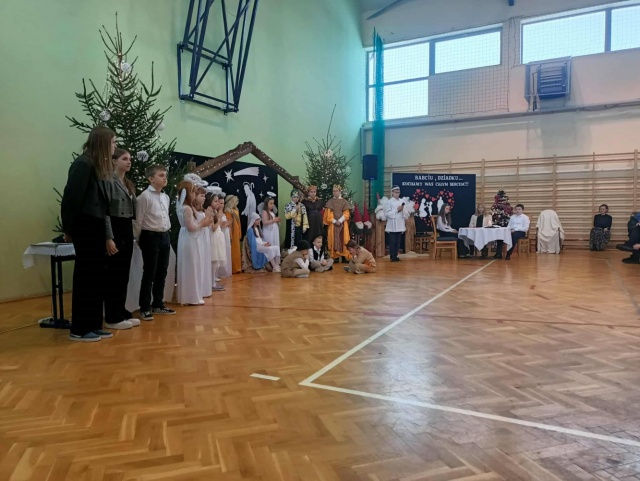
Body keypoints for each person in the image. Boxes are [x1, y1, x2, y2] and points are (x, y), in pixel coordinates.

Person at [61, 126, 116, 342]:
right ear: (102, 143)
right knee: (86, 278)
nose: (115, 147)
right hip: (85, 226)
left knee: (96, 278)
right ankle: (79, 329)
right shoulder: (82, 164)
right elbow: (71, 199)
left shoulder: (96, 165)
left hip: (96, 226)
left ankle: (93, 324)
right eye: (113, 142)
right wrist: (68, 229)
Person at [104, 148, 139, 330]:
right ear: (114, 161)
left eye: (130, 159)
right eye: (124, 159)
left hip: (126, 229)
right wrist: (108, 237)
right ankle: (112, 316)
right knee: (114, 274)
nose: (129, 162)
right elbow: (105, 212)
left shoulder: (128, 183)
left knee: (123, 273)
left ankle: (120, 309)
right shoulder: (109, 181)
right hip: (115, 227)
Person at [135, 165, 176, 320]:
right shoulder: (144, 197)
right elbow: (138, 220)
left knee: (162, 271)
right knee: (149, 272)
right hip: (150, 236)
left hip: (164, 235)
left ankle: (158, 304)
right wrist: (138, 239)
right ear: (151, 179)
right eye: (161, 175)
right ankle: (145, 307)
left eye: (165, 175)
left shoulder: (165, 197)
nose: (165, 177)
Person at [176, 181, 213, 306]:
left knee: (190, 266)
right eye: (193, 192)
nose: (194, 194)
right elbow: (191, 227)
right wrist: (203, 223)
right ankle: (192, 297)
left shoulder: (183, 206)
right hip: (190, 238)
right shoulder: (187, 208)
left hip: (185, 236)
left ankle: (190, 295)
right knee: (192, 266)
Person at [205, 193, 226, 290]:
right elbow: (213, 228)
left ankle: (213, 282)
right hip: (213, 237)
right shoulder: (209, 211)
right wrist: (219, 218)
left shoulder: (213, 211)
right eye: (215, 201)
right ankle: (211, 283)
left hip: (216, 237)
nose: (218, 203)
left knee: (216, 262)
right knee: (213, 261)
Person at [194, 185, 212, 298]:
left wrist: (208, 217)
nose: (204, 198)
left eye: (204, 196)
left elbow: (208, 223)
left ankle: (205, 288)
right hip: (199, 235)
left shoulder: (202, 209)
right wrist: (208, 217)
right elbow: (200, 223)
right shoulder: (193, 209)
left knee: (205, 261)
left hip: (204, 235)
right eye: (201, 196)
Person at [324, 185, 351, 261]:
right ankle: (335, 256)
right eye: (333, 191)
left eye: (336, 191)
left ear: (340, 191)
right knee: (333, 238)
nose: (335, 192)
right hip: (333, 224)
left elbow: (346, 213)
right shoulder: (330, 202)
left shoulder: (344, 202)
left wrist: (340, 221)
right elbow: (328, 213)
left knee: (343, 238)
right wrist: (335, 221)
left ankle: (344, 256)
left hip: (342, 224)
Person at [384, 185, 409, 262]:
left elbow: (406, 214)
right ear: (392, 193)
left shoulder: (402, 201)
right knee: (393, 242)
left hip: (400, 224)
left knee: (398, 242)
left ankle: (396, 255)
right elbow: (387, 214)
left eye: (398, 192)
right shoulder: (389, 202)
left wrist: (403, 210)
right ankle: (392, 256)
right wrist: (397, 210)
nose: (397, 194)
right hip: (392, 225)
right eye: (396, 192)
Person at [224, 195, 242, 273]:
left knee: (237, 250)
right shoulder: (228, 211)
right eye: (235, 200)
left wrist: (239, 232)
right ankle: (233, 268)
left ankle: (237, 267)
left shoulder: (234, 210)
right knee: (233, 250)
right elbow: (229, 224)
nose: (236, 202)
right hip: (232, 232)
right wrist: (230, 234)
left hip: (236, 231)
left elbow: (238, 223)